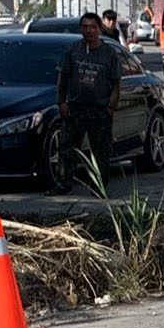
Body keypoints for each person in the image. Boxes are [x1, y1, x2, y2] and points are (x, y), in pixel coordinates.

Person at [55, 11, 121, 192]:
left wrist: (111, 107)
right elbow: (63, 76)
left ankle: (99, 187)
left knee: (101, 151)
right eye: (85, 27)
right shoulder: (73, 50)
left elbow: (116, 82)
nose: (88, 31)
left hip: (100, 109)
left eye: (92, 27)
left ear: (99, 29)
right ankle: (63, 184)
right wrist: (61, 101)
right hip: (75, 108)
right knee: (67, 147)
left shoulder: (109, 53)